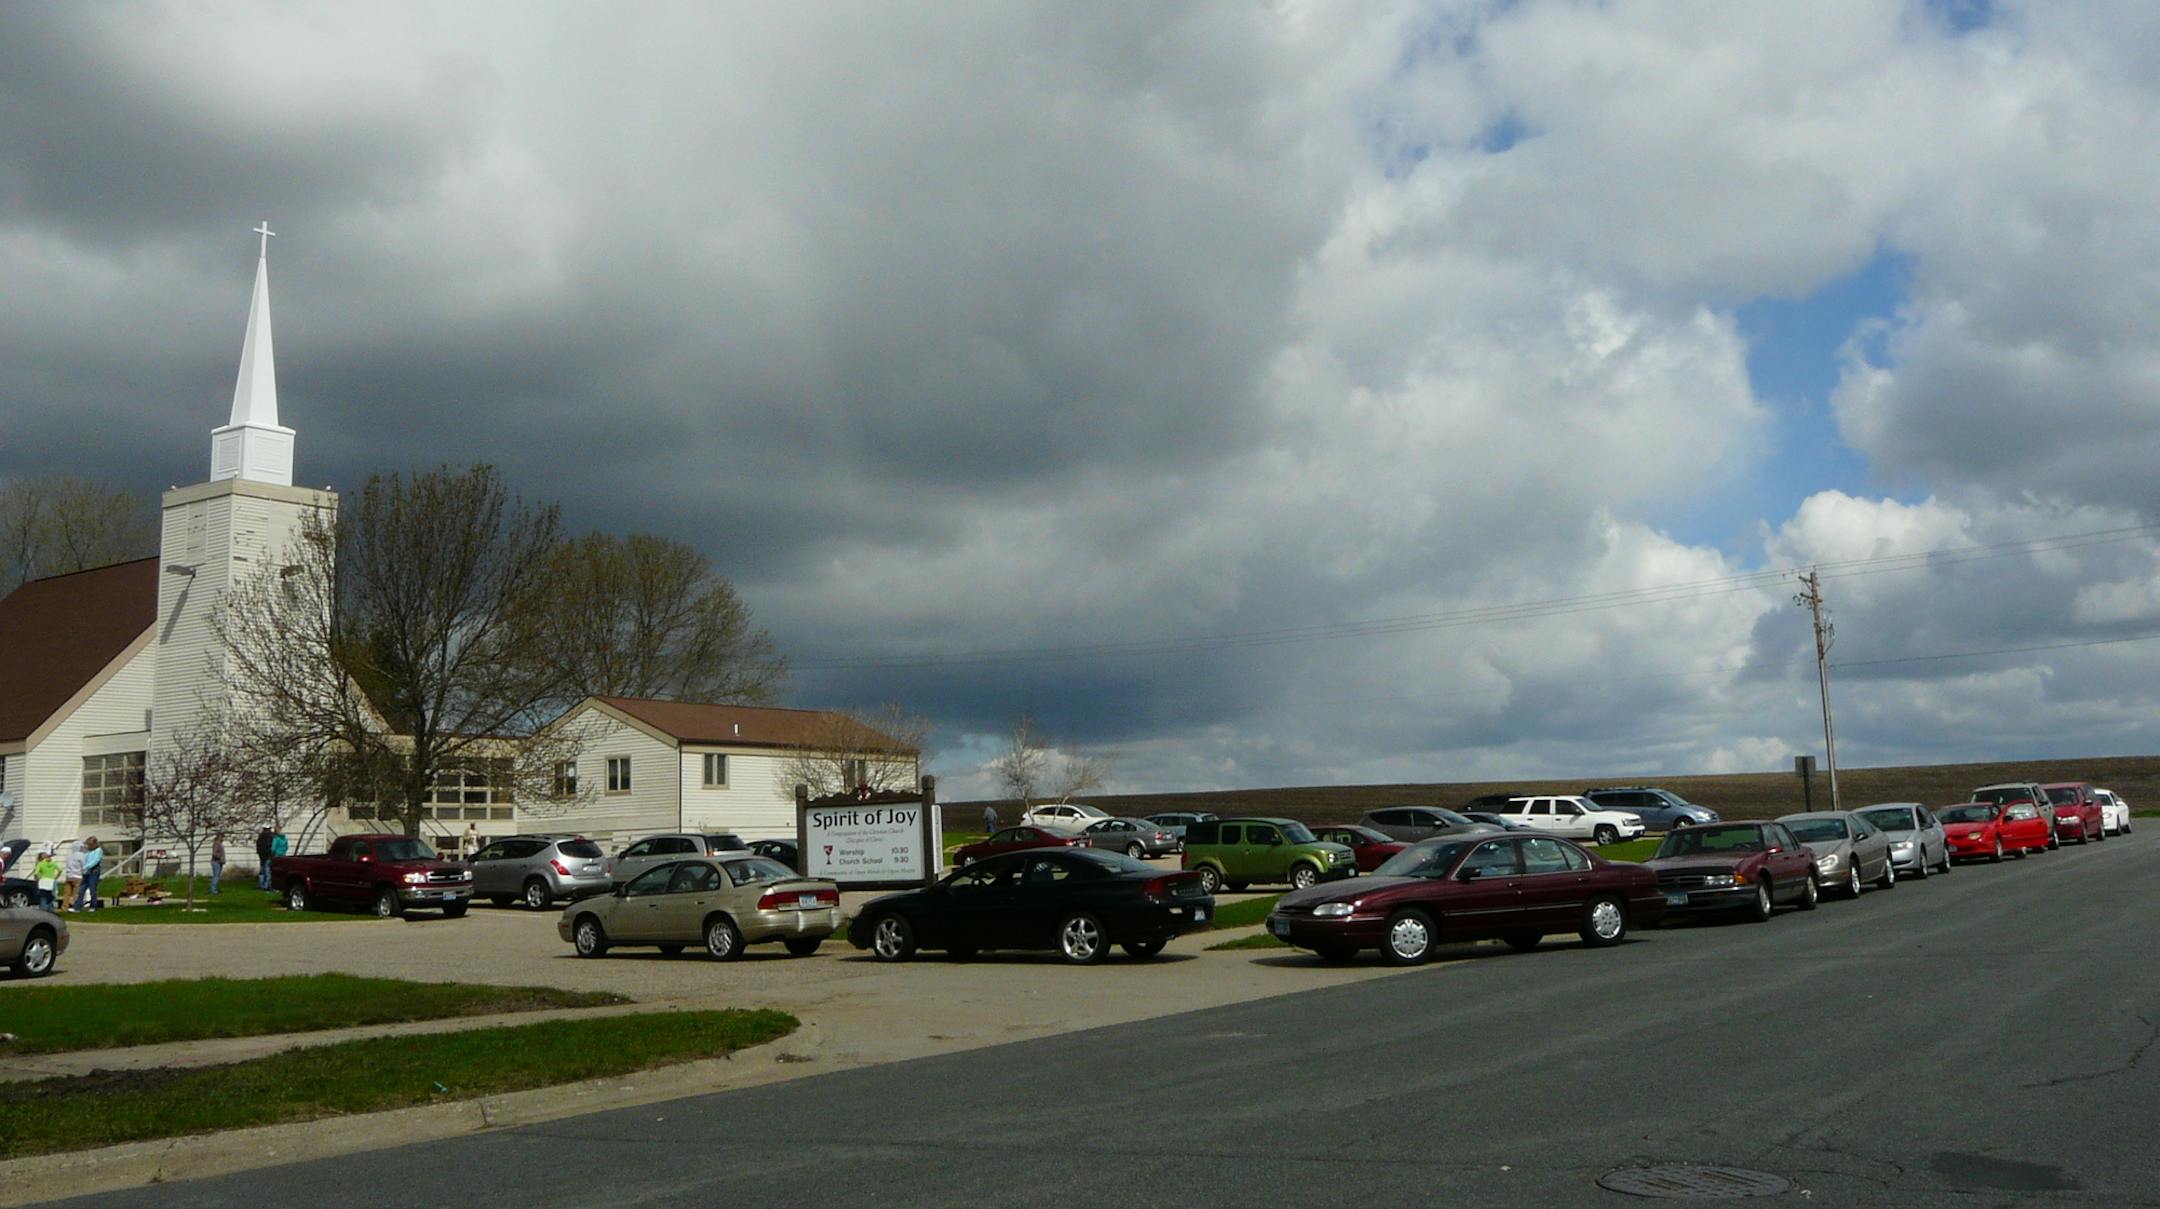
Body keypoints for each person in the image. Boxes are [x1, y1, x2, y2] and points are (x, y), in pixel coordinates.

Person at [77, 836, 103, 911]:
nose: (88, 846)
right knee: (81, 890)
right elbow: (85, 859)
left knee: (93, 890)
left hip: (94, 872)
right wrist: (83, 866)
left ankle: (93, 906)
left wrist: (87, 866)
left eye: (90, 845)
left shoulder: (98, 851)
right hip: (86, 872)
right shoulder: (88, 851)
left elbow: (96, 861)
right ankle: (78, 906)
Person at [32, 847, 60, 911]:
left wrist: (38, 879)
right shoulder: (51, 863)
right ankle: (50, 910)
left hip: (43, 881)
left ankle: (44, 910)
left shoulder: (40, 864)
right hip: (51, 881)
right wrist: (56, 877)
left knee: (43, 896)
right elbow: (60, 870)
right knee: (50, 896)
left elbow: (36, 873)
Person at [61, 840, 85, 912]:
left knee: (67, 894)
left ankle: (64, 907)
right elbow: (84, 865)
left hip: (69, 876)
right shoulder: (81, 855)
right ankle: (76, 907)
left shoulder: (69, 855)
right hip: (77, 876)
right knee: (76, 893)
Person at [256, 826, 275, 891]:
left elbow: (258, 846)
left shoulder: (260, 836)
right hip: (268, 856)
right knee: (267, 871)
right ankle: (267, 886)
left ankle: (261, 885)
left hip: (262, 856)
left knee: (262, 871)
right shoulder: (271, 836)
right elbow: (271, 846)